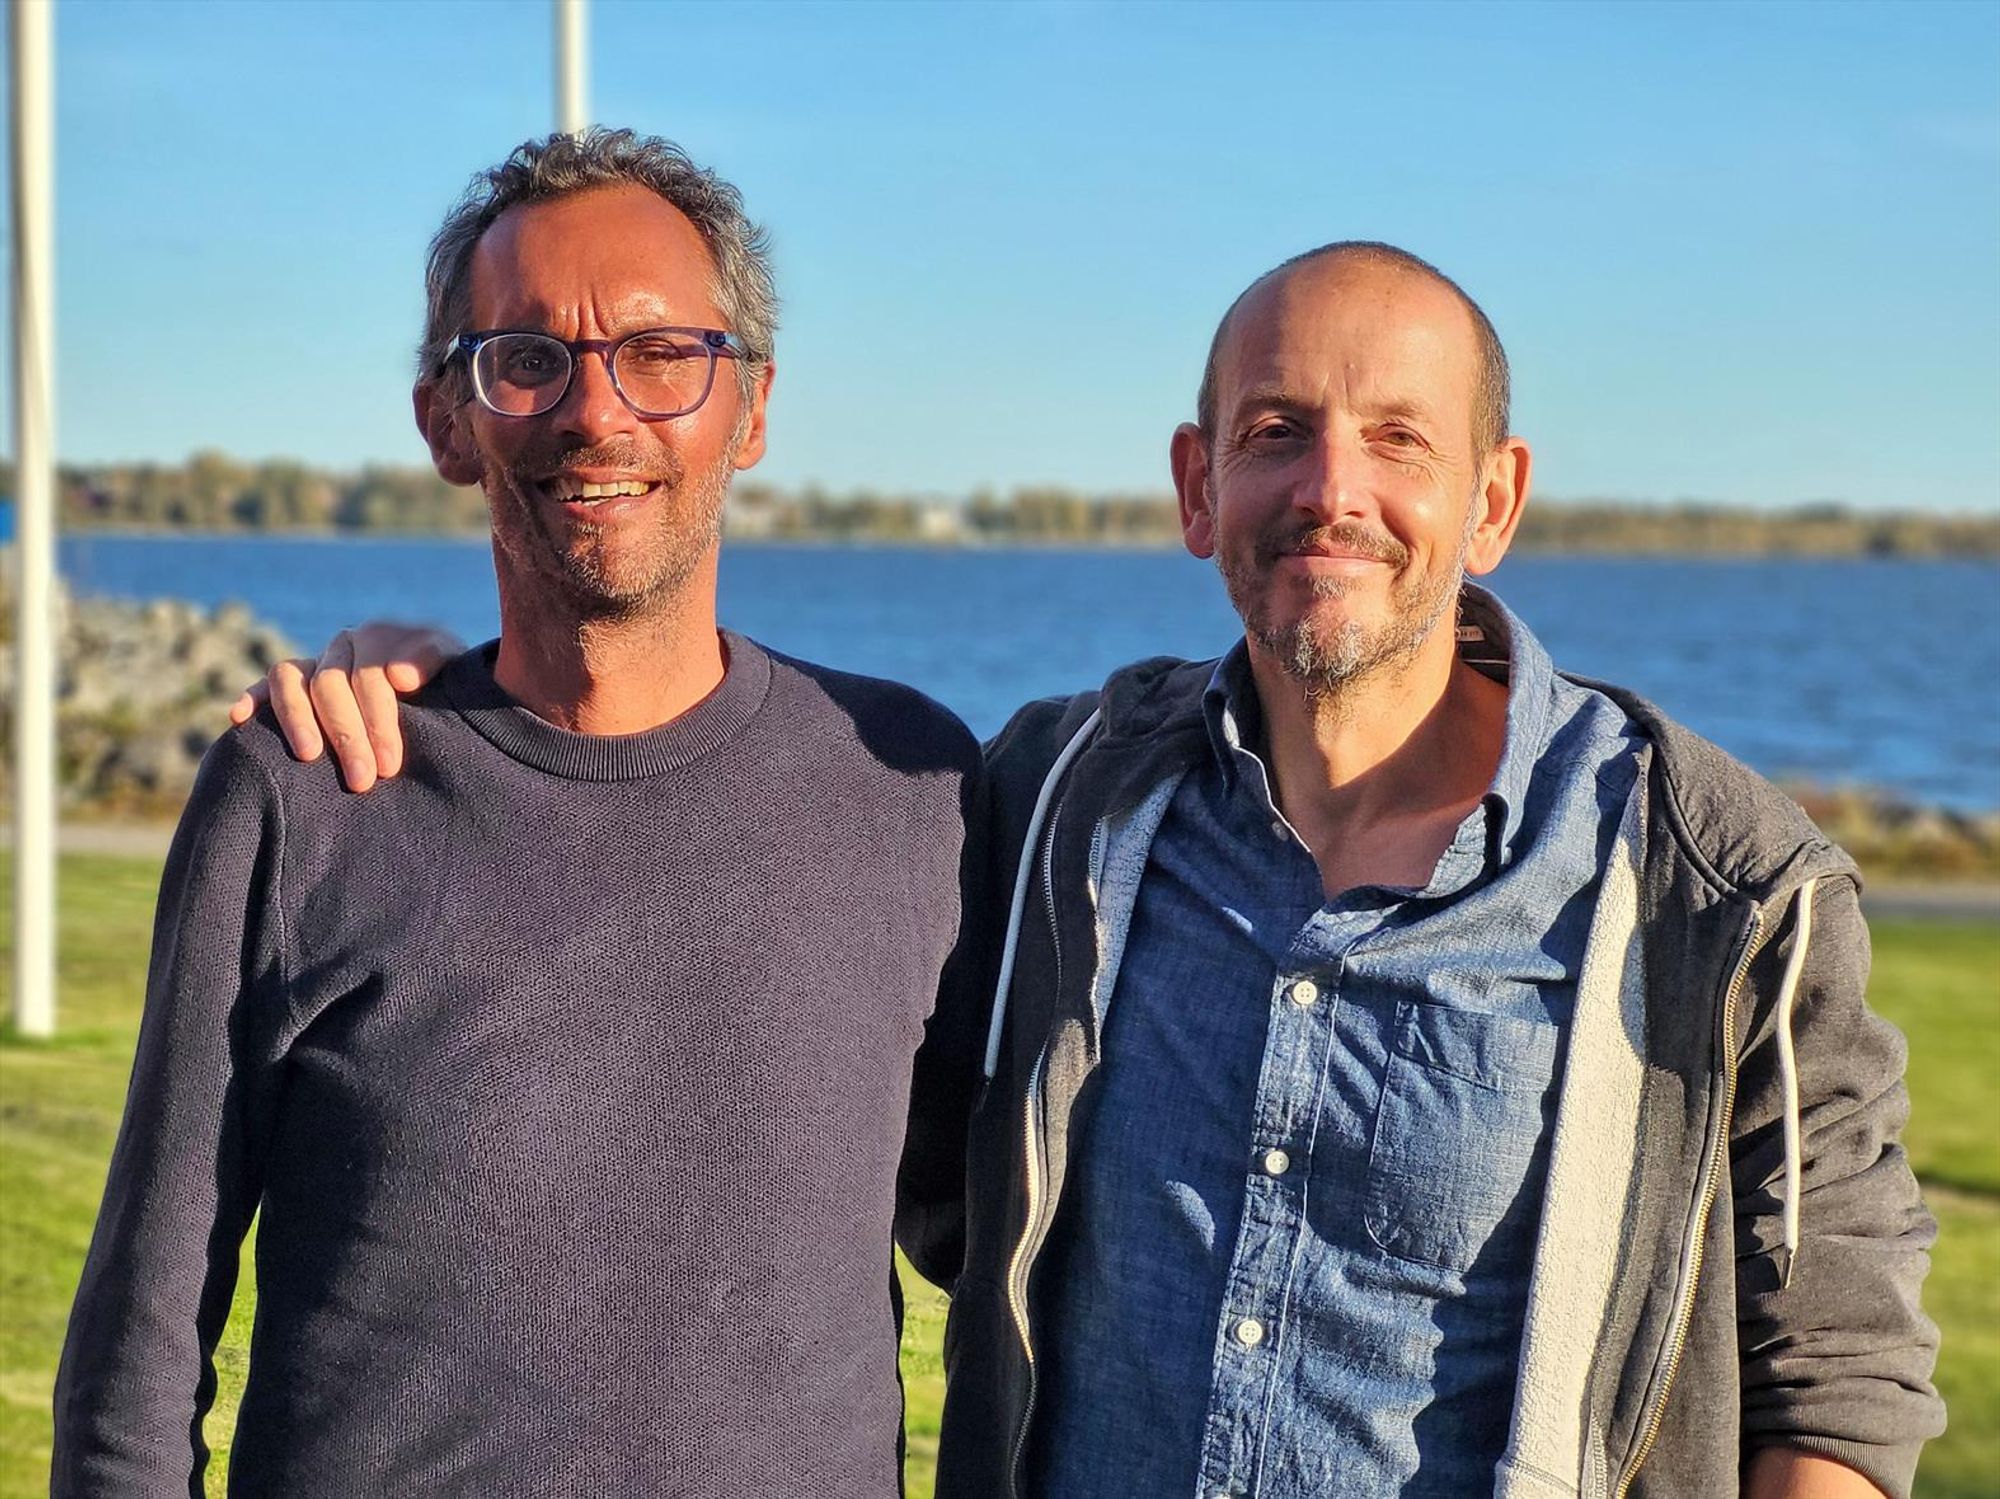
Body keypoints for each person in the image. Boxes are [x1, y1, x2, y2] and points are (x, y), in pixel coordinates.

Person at [251, 244, 1944, 1498]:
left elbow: (1842, 1385)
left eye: (1398, 442)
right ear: (1199, 490)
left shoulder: (1717, 888)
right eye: (1276, 432)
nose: (1331, 490)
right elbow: (772, 920)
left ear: (1494, 500)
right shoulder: (1059, 797)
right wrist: (468, 694)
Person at [54, 129, 979, 1497]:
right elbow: (141, 1344)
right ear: (447, 420)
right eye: (530, 356)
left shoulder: (910, 784)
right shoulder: (309, 794)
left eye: (664, 354)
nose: (598, 414)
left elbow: (1011, 1247)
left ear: (755, 407)